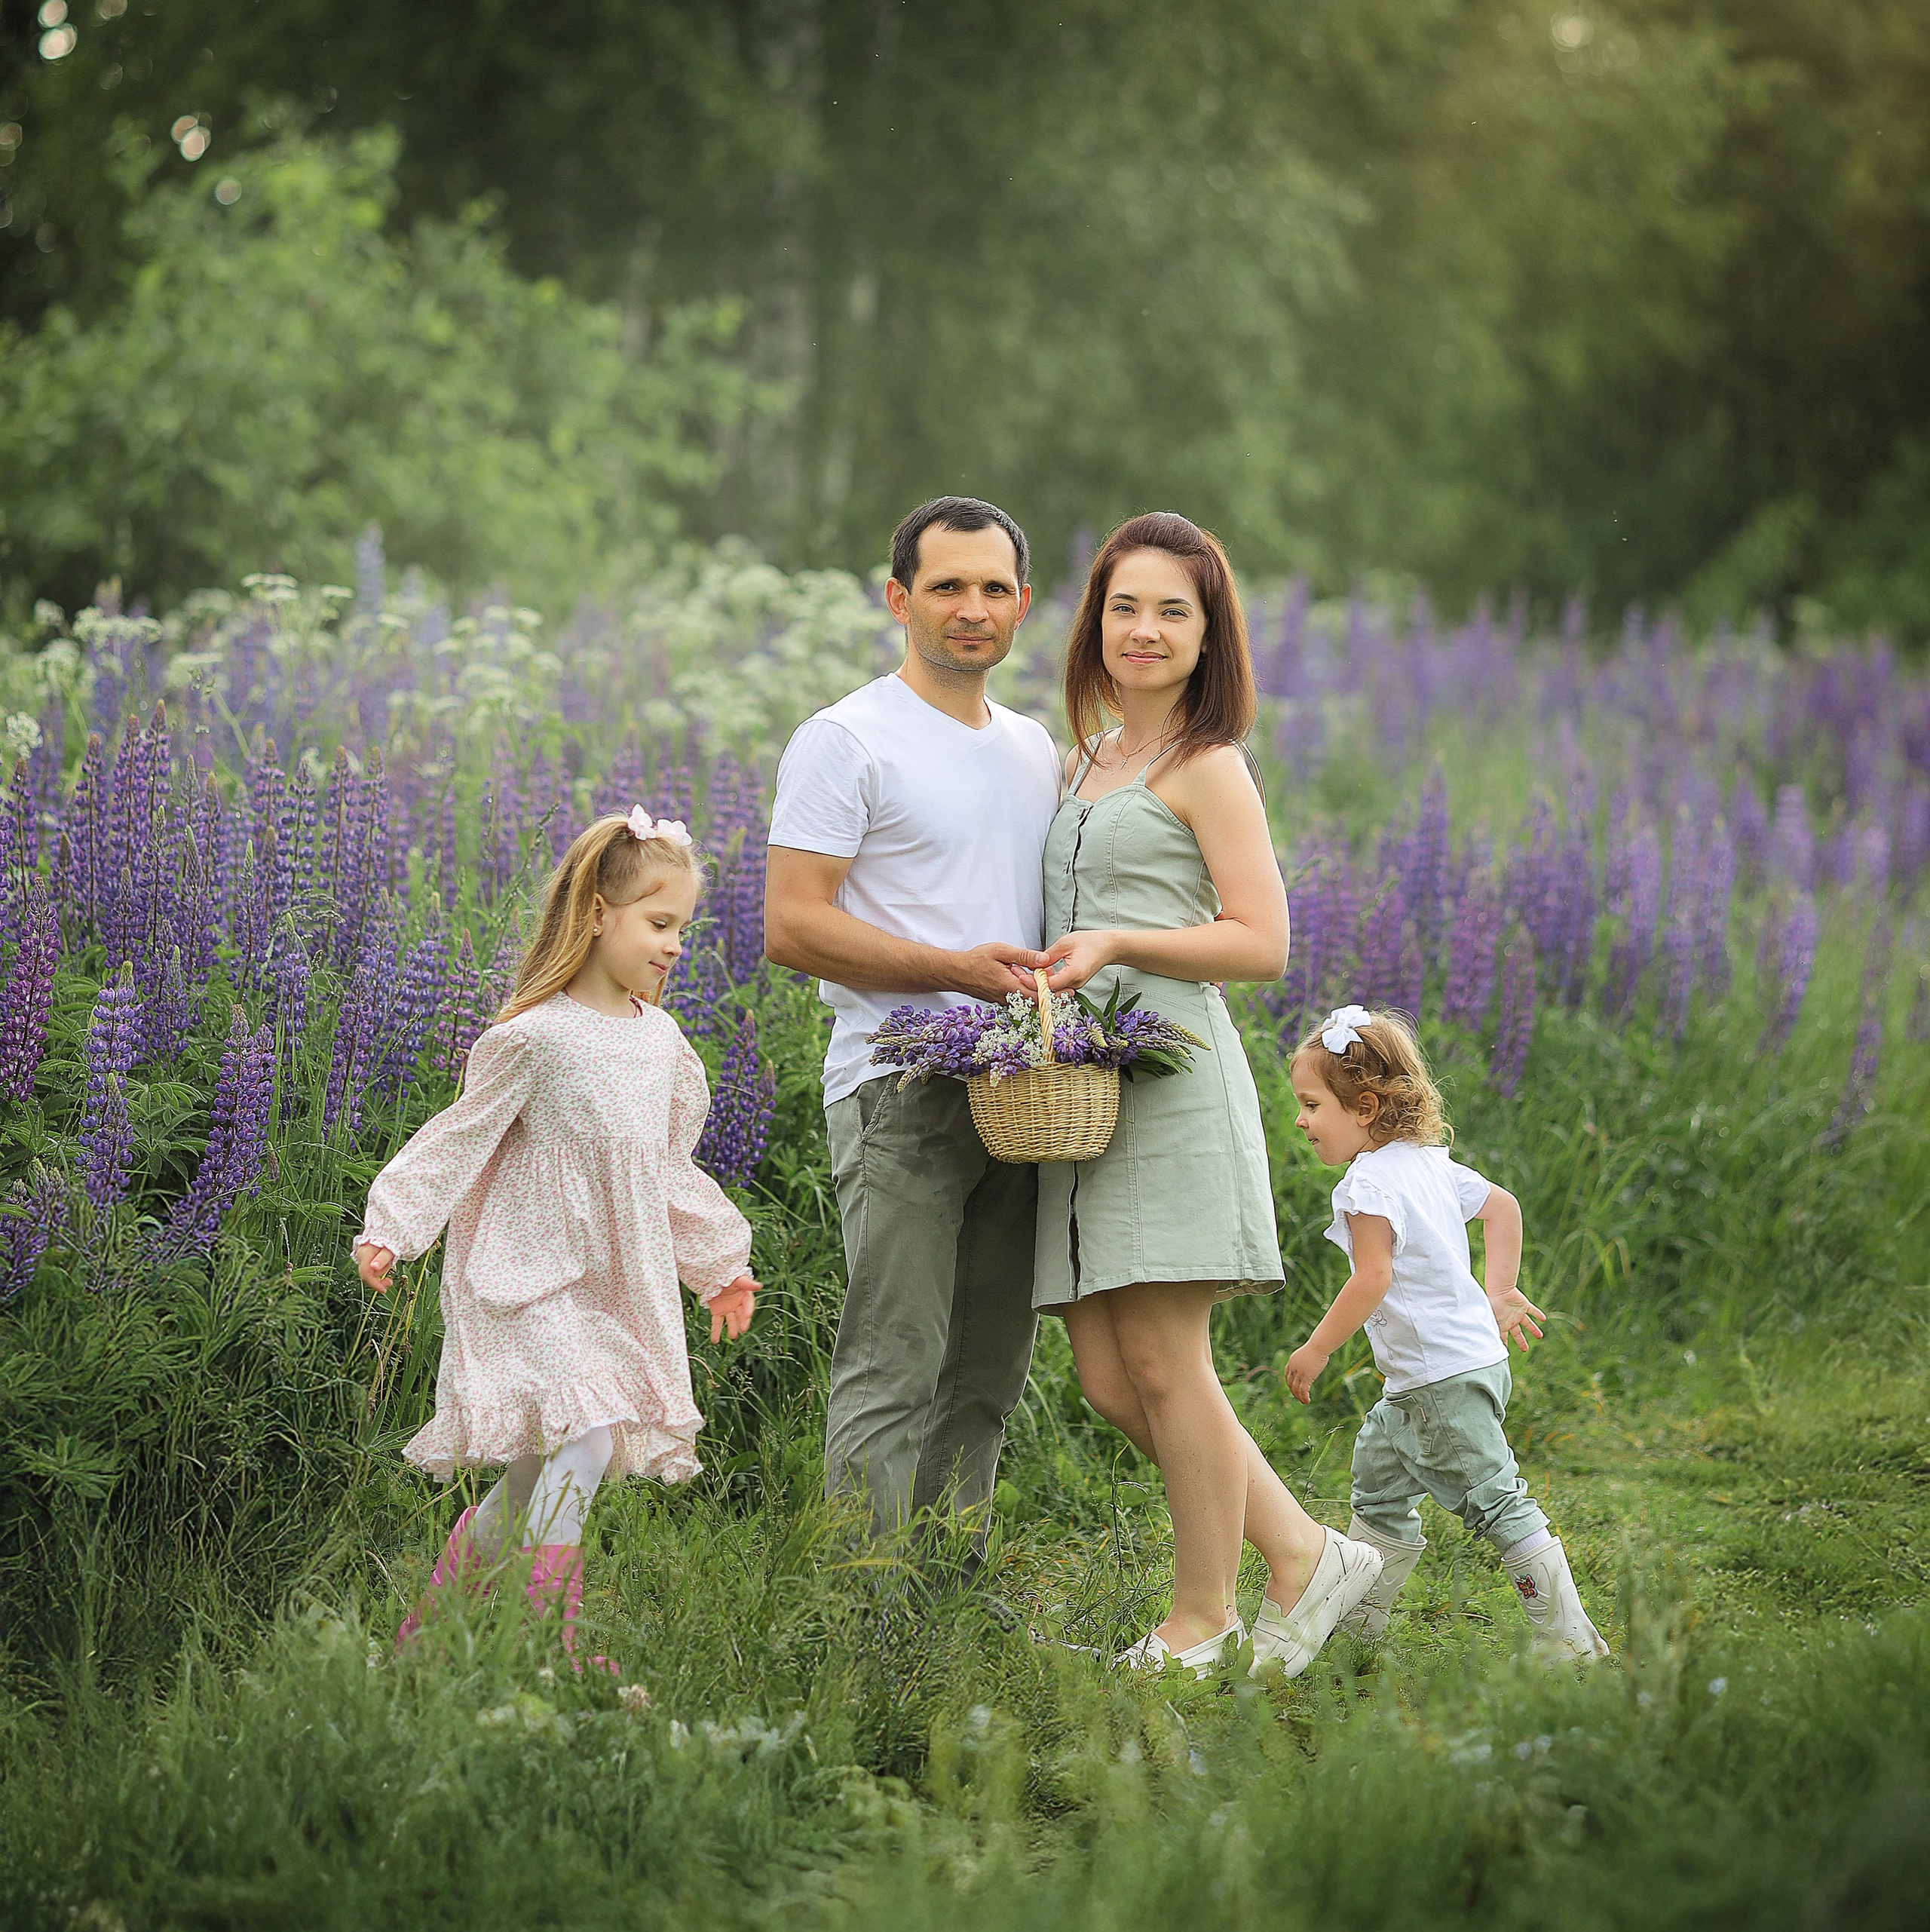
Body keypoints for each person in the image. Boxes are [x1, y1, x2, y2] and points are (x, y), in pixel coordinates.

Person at [1037, 511, 1383, 1679]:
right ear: (1097, 620)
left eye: (1171, 611)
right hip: (1079, 1084)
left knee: (1166, 1359)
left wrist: (1121, 939)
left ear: (1206, 632)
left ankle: (1204, 1615)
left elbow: (1264, 940)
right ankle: (1303, 1550)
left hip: (1171, 1074)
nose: (1144, 629)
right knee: (1105, 1375)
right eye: (1125, 606)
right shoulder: (1082, 756)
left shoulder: (1206, 761)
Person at [354, 808, 760, 1664]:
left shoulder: (663, 1047)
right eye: (659, 923)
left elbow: (667, 1170)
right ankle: (552, 1650)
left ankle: (425, 1646)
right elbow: (458, 1138)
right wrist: (395, 1225)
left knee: (537, 1476)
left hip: (618, 1285)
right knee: (581, 1443)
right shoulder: (533, 1039)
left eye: (682, 927)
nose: (674, 945)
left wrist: (720, 1264)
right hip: (527, 1276)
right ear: (598, 915)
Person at [764, 496, 1061, 1552]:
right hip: (898, 1087)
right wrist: (954, 972)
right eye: (946, 587)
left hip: (1024, 1094)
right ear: (899, 599)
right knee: (893, 1363)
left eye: (993, 588)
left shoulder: (1037, 748)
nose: (971, 608)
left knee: (987, 1371)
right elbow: (793, 925)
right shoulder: (847, 738)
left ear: (1023, 604)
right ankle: (864, 1621)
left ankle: (948, 1594)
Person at [1284, 1004, 1610, 1660]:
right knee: (1378, 1482)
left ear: (1366, 1107)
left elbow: (1371, 1277)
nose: (1301, 1120)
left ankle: (1570, 1642)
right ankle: (1358, 1630)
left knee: (1497, 1503)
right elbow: (1503, 1207)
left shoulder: (1369, 1181)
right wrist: (1501, 1289)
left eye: (1312, 1105)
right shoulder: (1428, 1163)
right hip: (1458, 1370)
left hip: (1438, 1383)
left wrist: (1317, 1348)